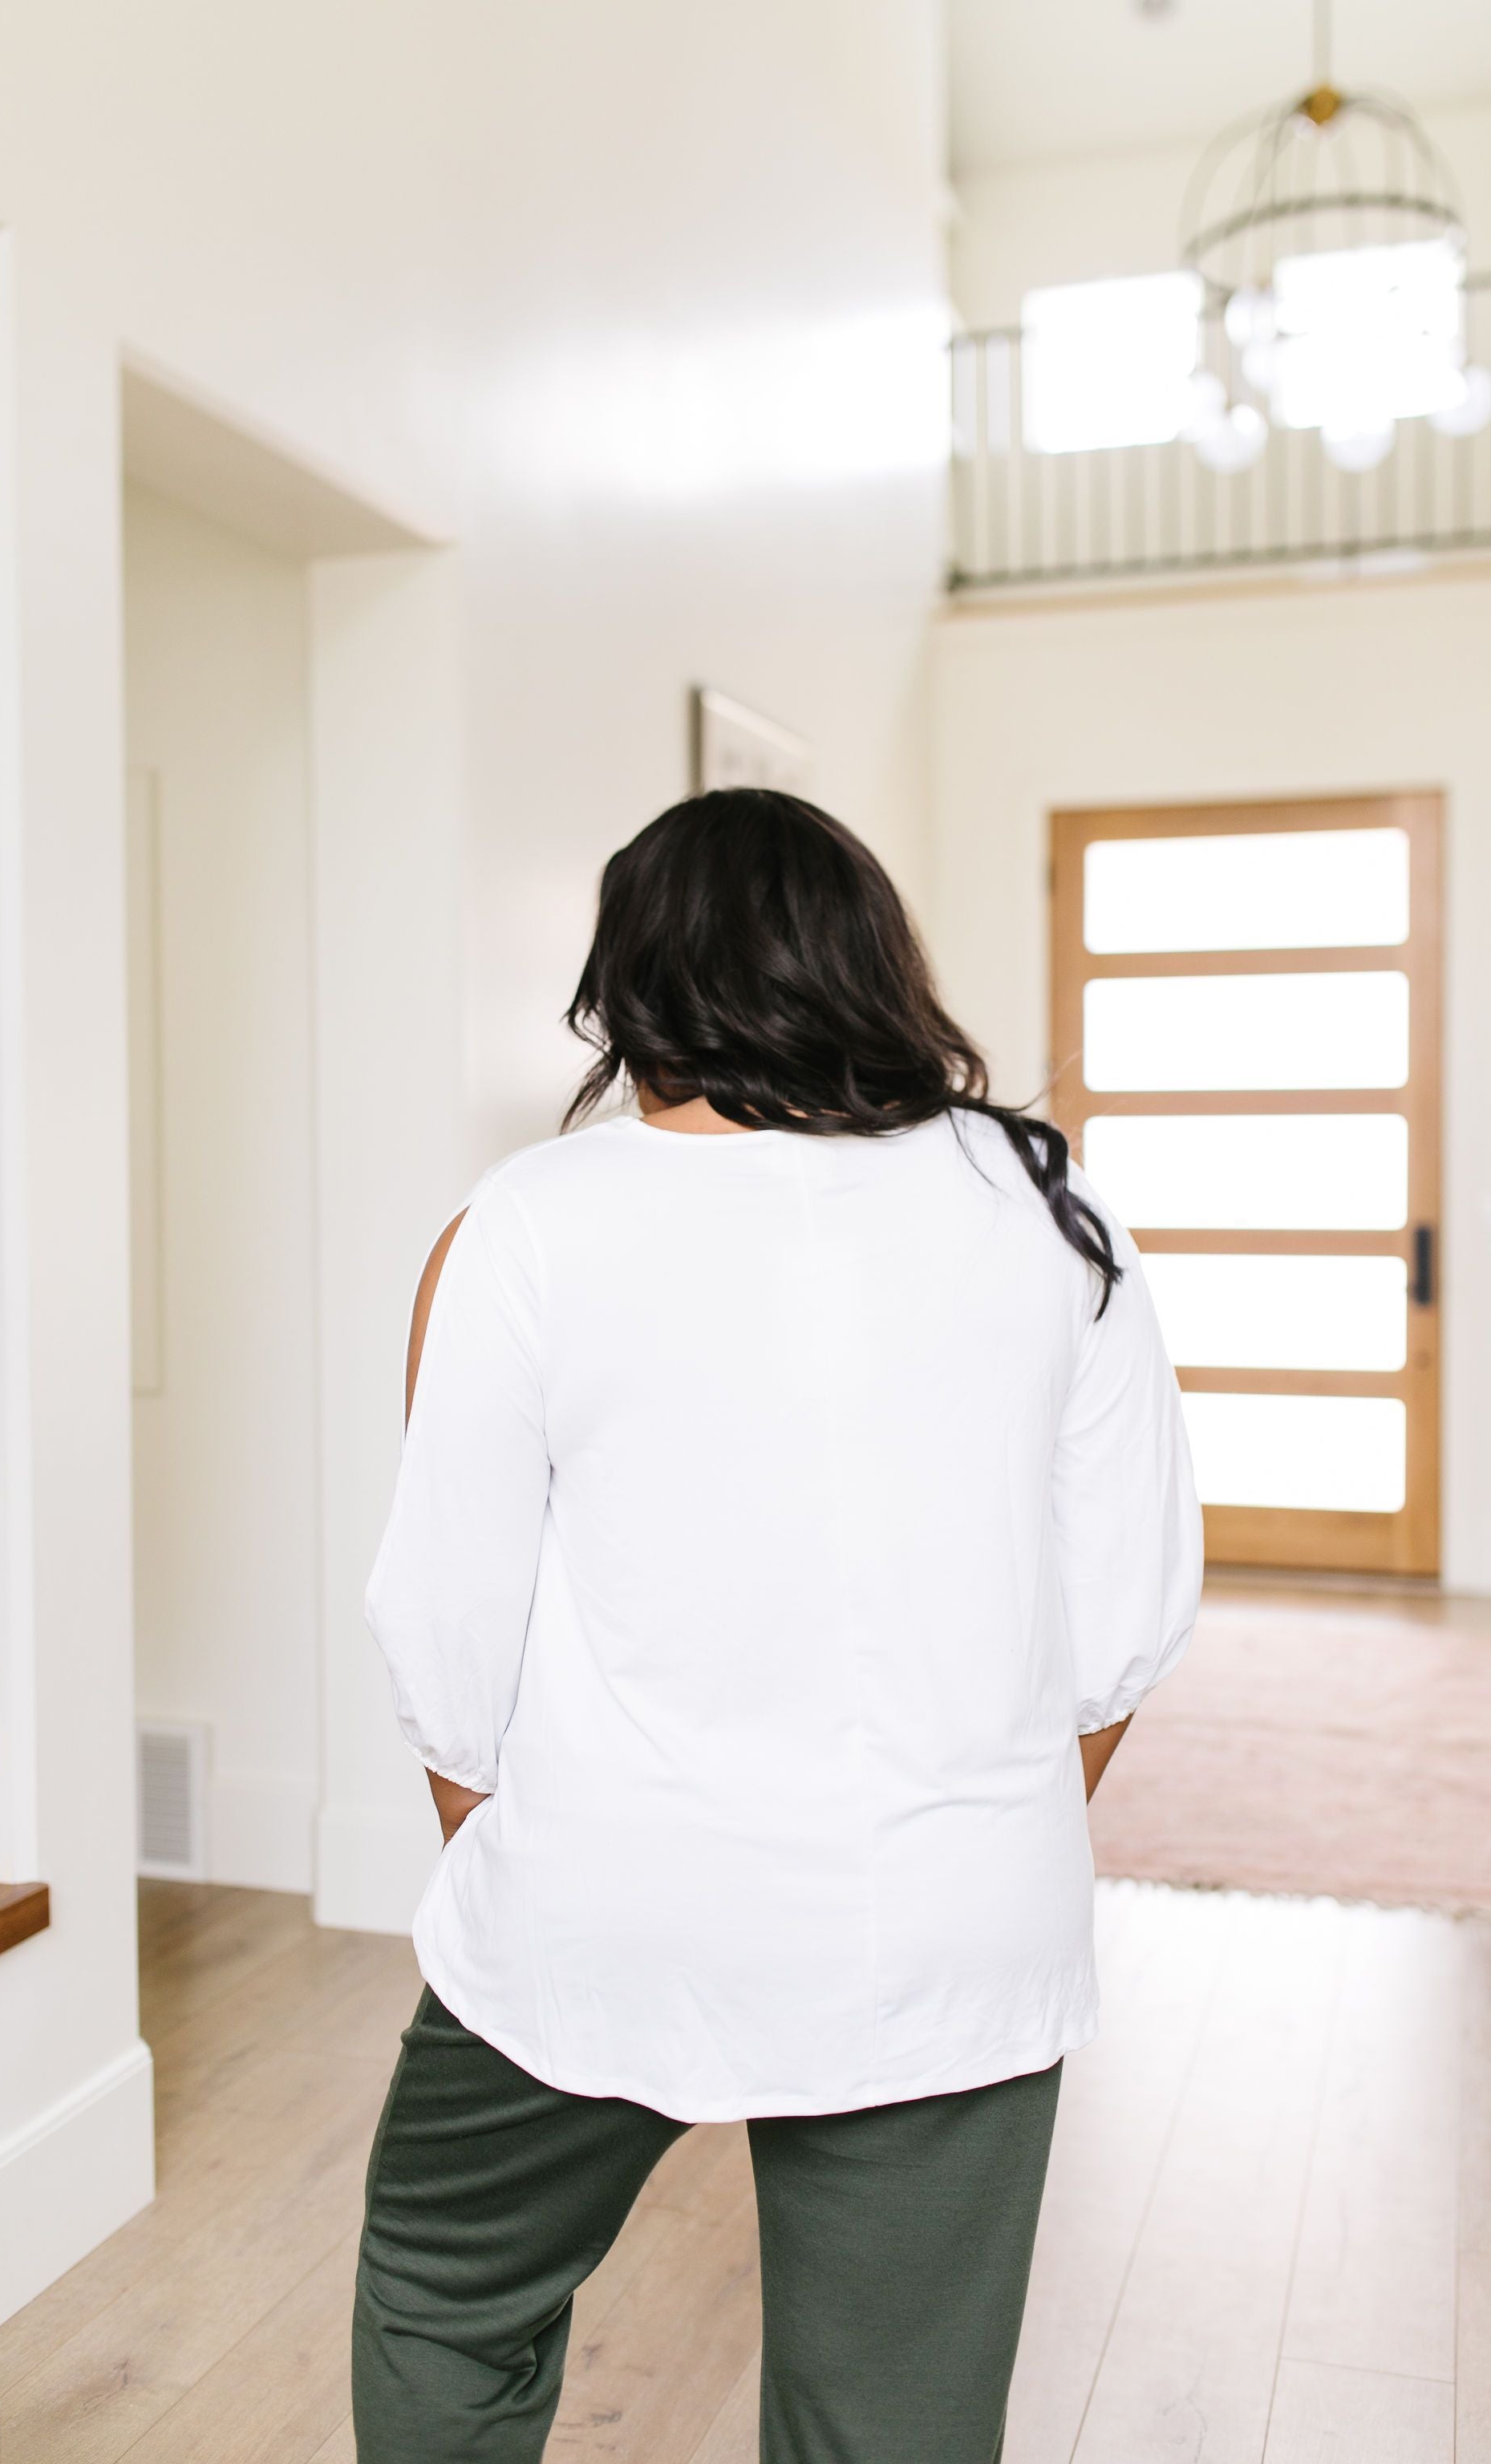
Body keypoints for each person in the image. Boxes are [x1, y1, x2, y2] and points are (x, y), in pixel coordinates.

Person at [354, 787, 1201, 2463]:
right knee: (892, 2423)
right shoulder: (1048, 1206)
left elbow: (450, 1643)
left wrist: (522, 1864)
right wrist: (959, 1831)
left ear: (631, 987)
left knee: (449, 2292)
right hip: (955, 1929)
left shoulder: (524, 1222)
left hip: (599, 1907)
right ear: (871, 970)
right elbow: (1123, 1625)